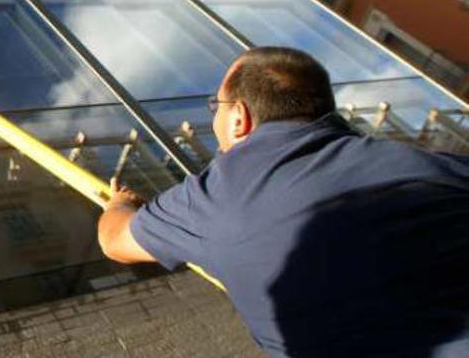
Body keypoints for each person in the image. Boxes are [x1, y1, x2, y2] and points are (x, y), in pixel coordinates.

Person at [98, 47, 469, 357]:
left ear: (239, 117)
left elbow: (115, 241)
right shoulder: (435, 166)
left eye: (217, 106)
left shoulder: (216, 198)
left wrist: (119, 203)